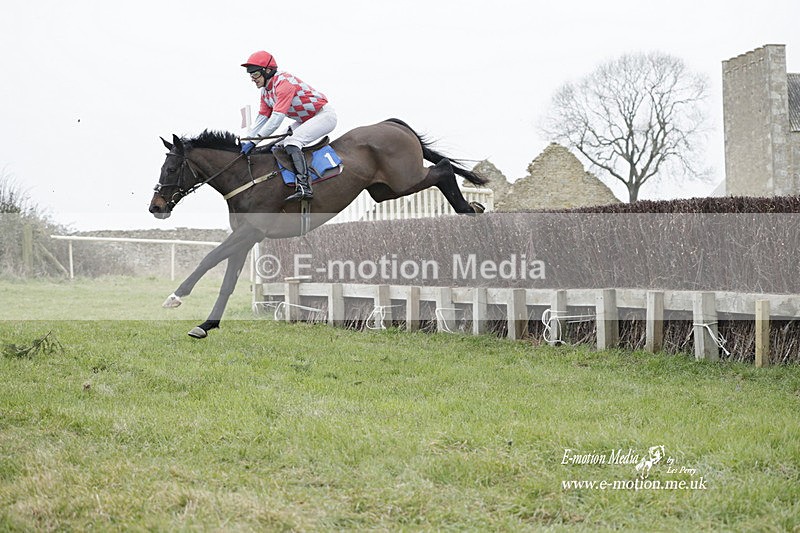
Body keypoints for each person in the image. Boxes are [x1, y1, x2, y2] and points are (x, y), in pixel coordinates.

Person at [240, 51, 337, 202]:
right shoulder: (265, 91)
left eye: (255, 74)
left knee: (292, 142)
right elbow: (262, 118)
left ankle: (305, 186)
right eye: (250, 75)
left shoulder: (284, 83)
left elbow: (276, 119)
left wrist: (255, 142)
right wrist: (248, 139)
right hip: (306, 119)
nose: (252, 79)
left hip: (324, 115)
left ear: (267, 70)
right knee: (276, 144)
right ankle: (286, 183)